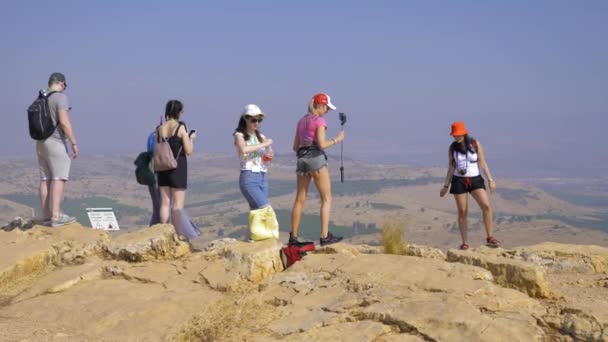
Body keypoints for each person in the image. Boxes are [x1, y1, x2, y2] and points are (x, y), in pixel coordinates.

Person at [289, 93, 345, 246]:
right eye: (326, 107)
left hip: (301, 160)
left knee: (299, 200)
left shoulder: (301, 121)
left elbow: (295, 147)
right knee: (326, 198)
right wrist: (337, 139)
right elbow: (322, 144)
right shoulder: (320, 121)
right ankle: (324, 236)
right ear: (320, 106)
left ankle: (293, 238)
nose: (327, 111)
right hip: (316, 160)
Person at [440, 121, 500, 250]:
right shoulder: (452, 148)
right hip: (459, 181)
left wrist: (490, 180)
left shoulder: (475, 144)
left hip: (475, 179)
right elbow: (451, 168)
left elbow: (483, 163)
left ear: (464, 133)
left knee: (486, 206)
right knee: (462, 211)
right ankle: (465, 242)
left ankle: (490, 237)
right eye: (454, 135)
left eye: (458, 134)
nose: (456, 137)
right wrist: (445, 186)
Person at [36, 72, 79, 227]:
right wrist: (74, 143)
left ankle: (46, 216)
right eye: (64, 85)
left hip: (40, 142)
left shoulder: (41, 97)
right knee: (58, 178)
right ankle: (56, 216)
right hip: (55, 142)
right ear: (61, 83)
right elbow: (64, 122)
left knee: (45, 179)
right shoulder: (60, 98)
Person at [155, 100, 199, 240]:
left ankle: (163, 233)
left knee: (164, 203)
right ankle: (177, 235)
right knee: (177, 206)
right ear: (179, 112)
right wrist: (191, 138)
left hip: (162, 168)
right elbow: (189, 151)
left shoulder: (159, 129)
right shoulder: (180, 128)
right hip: (177, 168)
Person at [233, 104, 278, 240]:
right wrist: (265, 144)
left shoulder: (261, 136)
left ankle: (250, 239)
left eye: (259, 120)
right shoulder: (239, 135)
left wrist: (268, 155)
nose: (256, 123)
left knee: (256, 212)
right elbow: (244, 150)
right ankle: (270, 237)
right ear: (245, 119)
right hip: (249, 176)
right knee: (266, 210)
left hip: (262, 176)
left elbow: (266, 156)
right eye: (253, 120)